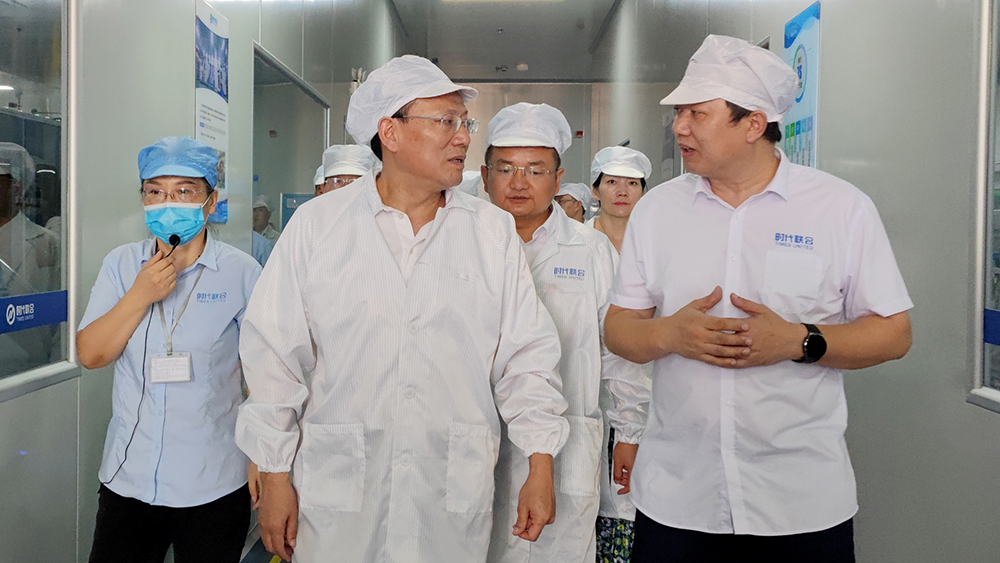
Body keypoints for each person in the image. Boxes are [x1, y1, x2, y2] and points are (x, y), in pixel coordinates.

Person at [235, 55, 569, 563]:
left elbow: (527, 358)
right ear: (389, 132)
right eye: (446, 121)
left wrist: (540, 463)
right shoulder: (318, 226)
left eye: (465, 123)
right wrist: (275, 474)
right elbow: (273, 359)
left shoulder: (490, 232)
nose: (462, 138)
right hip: (339, 491)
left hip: (449, 488)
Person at [603, 35, 913, 563]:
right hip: (678, 500)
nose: (679, 128)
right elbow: (618, 329)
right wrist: (669, 333)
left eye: (697, 114)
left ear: (753, 124)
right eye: (679, 113)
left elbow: (894, 333)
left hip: (800, 505)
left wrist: (799, 341)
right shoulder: (658, 211)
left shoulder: (840, 209)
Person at [77, 136, 261, 563]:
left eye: (184, 191)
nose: (167, 203)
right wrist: (139, 295)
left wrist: (263, 459)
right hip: (129, 478)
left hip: (213, 482)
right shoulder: (122, 265)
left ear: (211, 202)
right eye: (155, 192)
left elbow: (264, 375)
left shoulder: (241, 273)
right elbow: (91, 354)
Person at [481, 102, 649, 563]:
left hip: (568, 442)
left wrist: (629, 431)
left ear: (557, 180)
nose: (519, 182)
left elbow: (618, 347)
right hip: (476, 439)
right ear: (485, 176)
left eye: (535, 170)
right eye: (506, 169)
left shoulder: (592, 250)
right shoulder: (464, 243)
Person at [588, 146, 652, 253]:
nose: (622, 192)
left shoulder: (656, 241)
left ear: (642, 193)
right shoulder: (578, 241)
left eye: (632, 183)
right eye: (612, 182)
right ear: (595, 191)